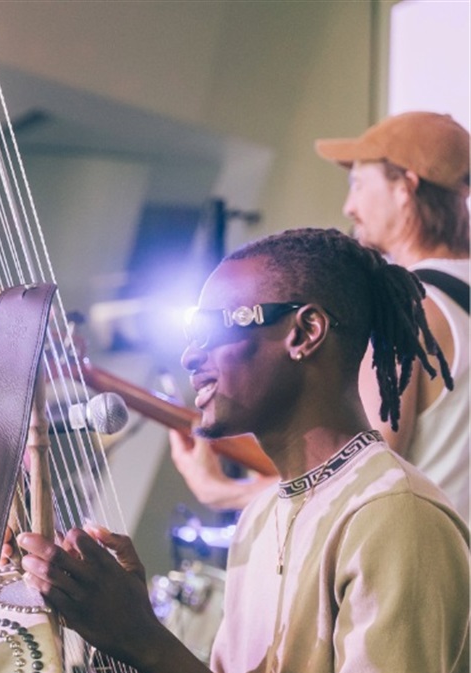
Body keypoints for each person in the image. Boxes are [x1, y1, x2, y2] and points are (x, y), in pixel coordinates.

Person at [19, 228, 469, 673]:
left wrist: (150, 644)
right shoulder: (262, 518)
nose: (191, 355)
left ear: (304, 333)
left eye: (214, 325)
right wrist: (119, 644)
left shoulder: (396, 517)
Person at [170, 111, 469, 521]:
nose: (350, 206)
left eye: (359, 184)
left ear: (405, 188)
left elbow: (357, 475)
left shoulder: (409, 309)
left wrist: (225, 492)